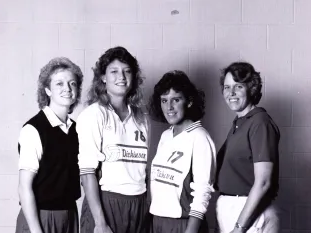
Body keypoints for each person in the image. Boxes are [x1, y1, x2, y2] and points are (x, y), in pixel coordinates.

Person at [76, 46, 150, 233]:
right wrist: (100, 223)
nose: (121, 77)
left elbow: (142, 170)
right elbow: (86, 173)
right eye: (114, 71)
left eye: (127, 71)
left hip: (138, 204)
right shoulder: (94, 114)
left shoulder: (142, 118)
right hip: (107, 203)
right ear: (103, 77)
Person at [15, 57, 84, 233]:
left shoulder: (78, 130)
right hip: (40, 217)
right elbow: (24, 188)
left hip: (69, 215)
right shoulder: (33, 129)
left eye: (72, 83)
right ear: (47, 90)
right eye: (59, 84)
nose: (67, 89)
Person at [214, 62, 280, 233]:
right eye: (227, 87)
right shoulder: (240, 122)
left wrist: (239, 228)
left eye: (238, 86)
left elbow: (263, 182)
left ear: (251, 89)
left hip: (250, 214)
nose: (231, 93)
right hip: (233, 209)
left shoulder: (260, 122)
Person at [148, 70, 216, 233]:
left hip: (183, 225)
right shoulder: (166, 135)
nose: (169, 107)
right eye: (164, 100)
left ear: (189, 101)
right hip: (158, 222)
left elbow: (202, 193)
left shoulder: (199, 137)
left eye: (176, 100)